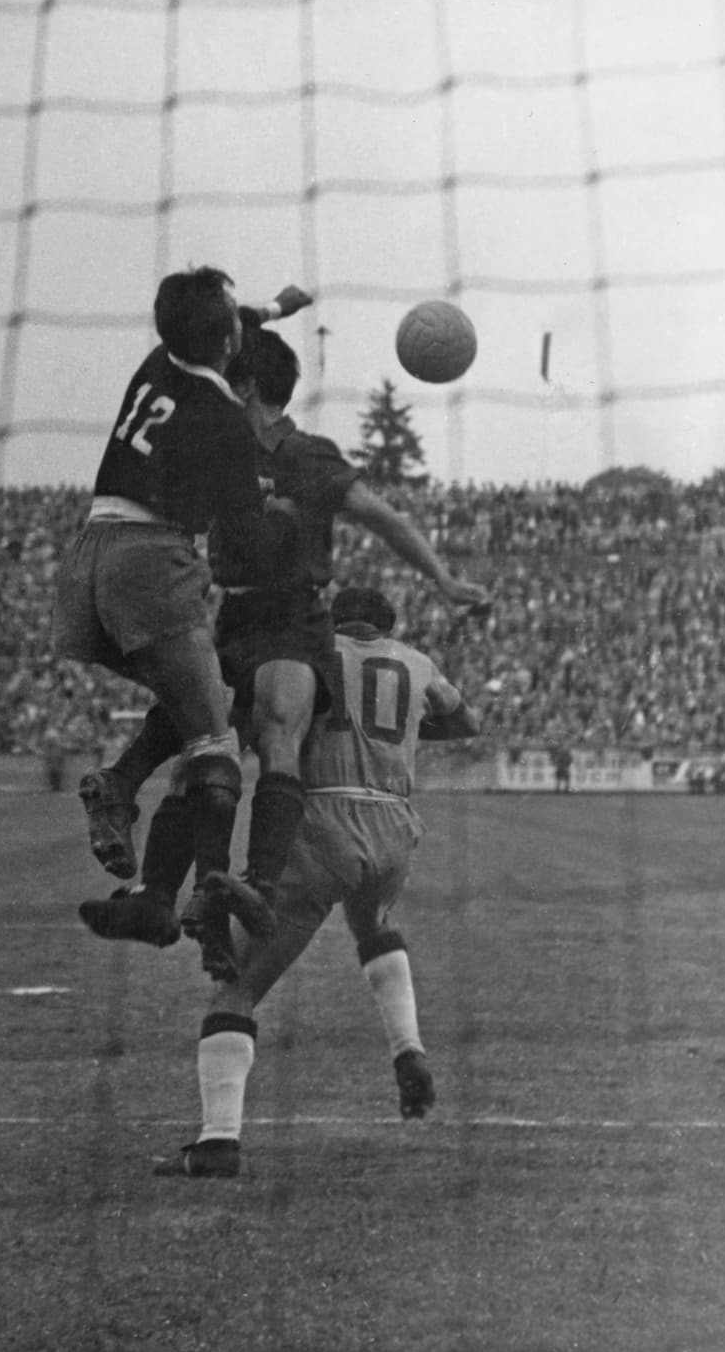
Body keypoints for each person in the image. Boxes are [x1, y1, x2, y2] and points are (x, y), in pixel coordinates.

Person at [78, 325, 489, 978]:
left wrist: (443, 578)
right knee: (202, 754)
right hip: (235, 612)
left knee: (275, 729)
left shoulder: (305, 456)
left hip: (295, 618)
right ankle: (161, 894)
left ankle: (255, 887)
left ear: (246, 388)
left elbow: (384, 517)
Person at [154, 586, 480, 1178]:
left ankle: (217, 1141)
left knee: (237, 988)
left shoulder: (308, 654)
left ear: (333, 618)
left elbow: (254, 723)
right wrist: (406, 730)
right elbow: (466, 720)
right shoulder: (415, 661)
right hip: (393, 823)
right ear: (388, 624)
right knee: (372, 921)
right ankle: (409, 1049)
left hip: (322, 817)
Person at [54, 266, 306, 967]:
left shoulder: (156, 361)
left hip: (89, 560)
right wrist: (280, 507)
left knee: (196, 704)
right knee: (216, 745)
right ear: (228, 337)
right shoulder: (226, 419)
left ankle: (125, 801)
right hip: (150, 561)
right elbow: (246, 542)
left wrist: (275, 307)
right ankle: (208, 905)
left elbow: (216, 329)